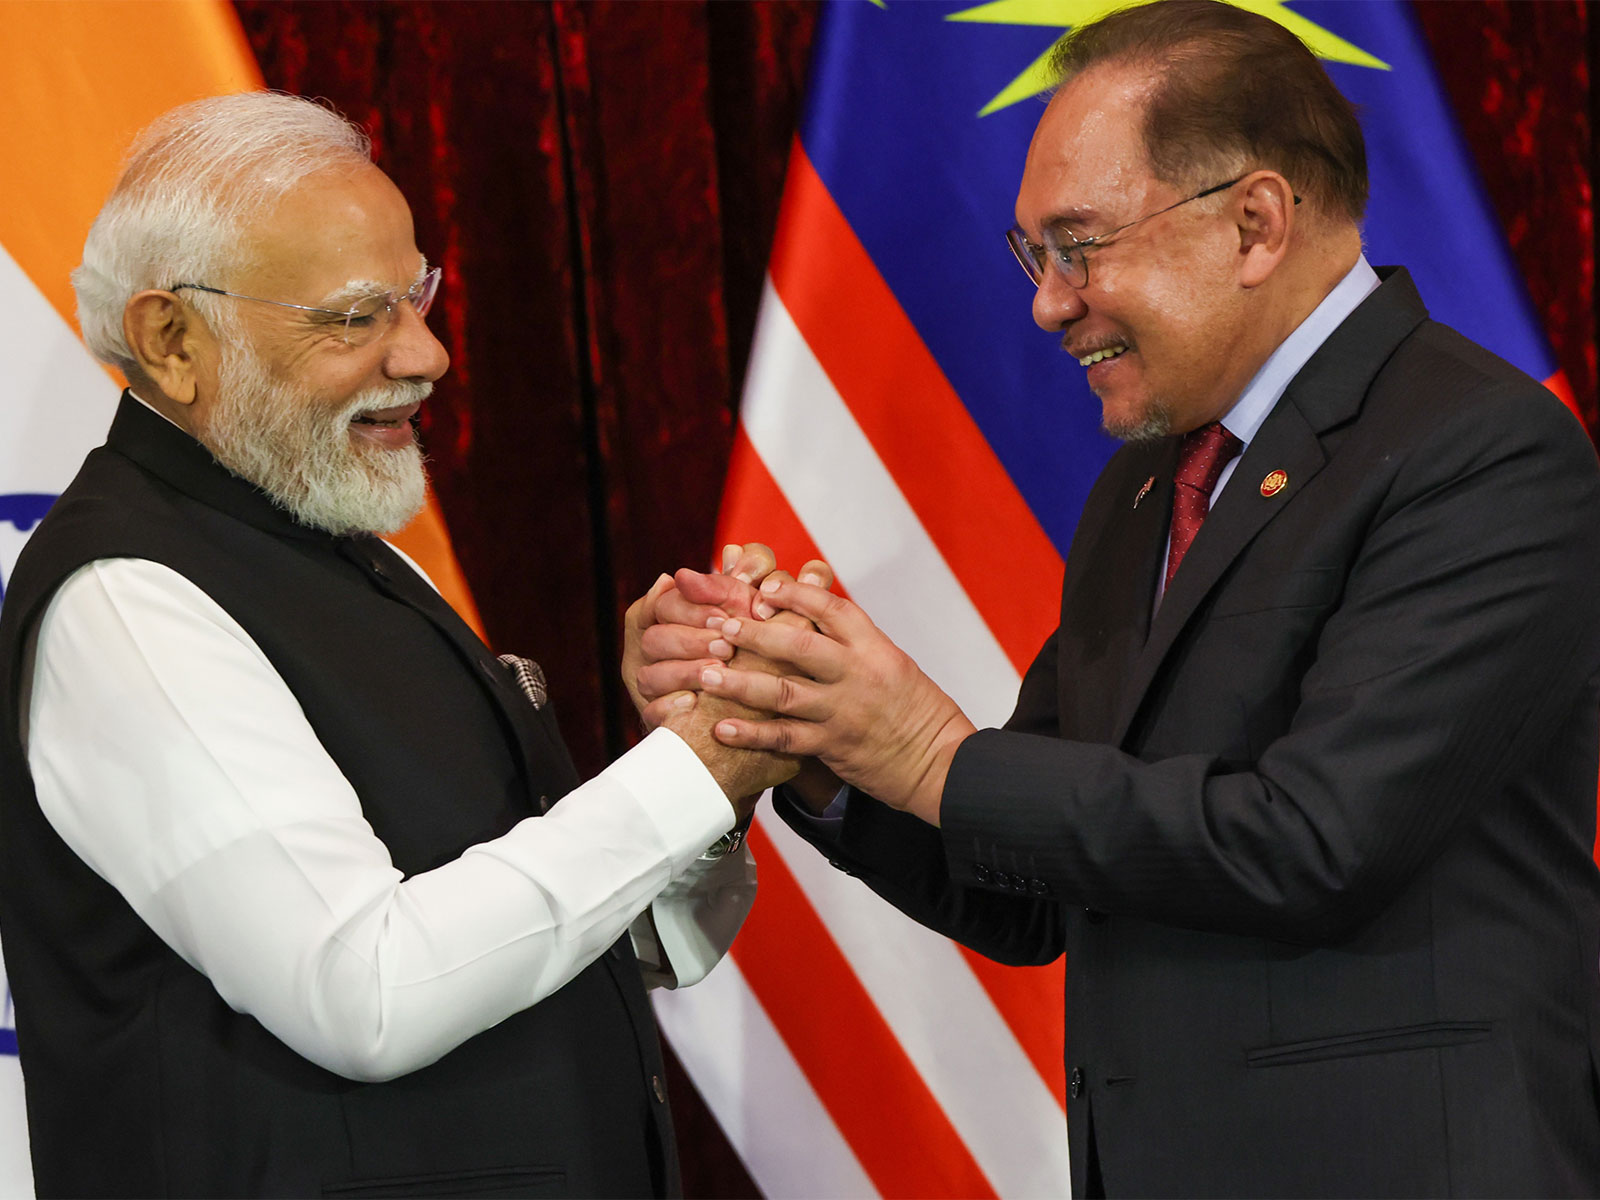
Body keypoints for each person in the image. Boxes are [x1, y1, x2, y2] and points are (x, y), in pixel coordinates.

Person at [633, 2, 1600, 1194]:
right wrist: (817, 739)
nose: (1047, 302)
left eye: (1080, 246)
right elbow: (1033, 885)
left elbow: (1310, 841)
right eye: (1033, 255)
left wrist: (931, 748)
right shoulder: (1147, 487)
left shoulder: (1483, 450)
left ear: (1254, 223)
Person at [0, 92, 796, 1199]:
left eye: (417, 296)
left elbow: (614, 948)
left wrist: (712, 755)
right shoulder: (130, 601)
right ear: (172, 341)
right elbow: (365, 993)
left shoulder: (340, 543)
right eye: (354, 315)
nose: (426, 352)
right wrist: (691, 772)